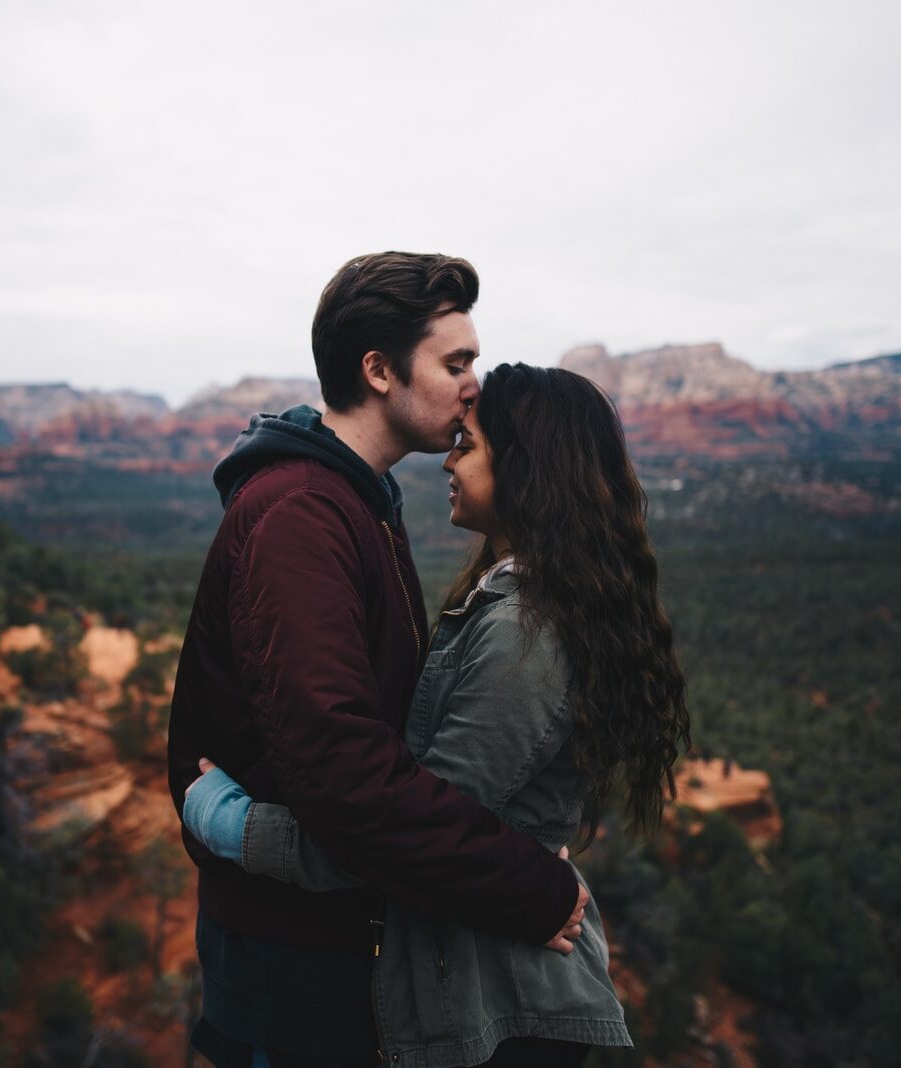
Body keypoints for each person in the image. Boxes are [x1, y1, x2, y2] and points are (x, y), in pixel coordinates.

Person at [186, 361, 692, 1066]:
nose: (448, 461)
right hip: (492, 987)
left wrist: (236, 827)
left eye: (469, 444)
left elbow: (411, 834)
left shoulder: (526, 629)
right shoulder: (514, 601)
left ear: (527, 471)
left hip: (508, 1009)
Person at [167, 256, 589, 1068]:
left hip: (339, 952)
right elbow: (345, 774)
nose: (475, 385)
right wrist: (533, 884)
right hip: (292, 975)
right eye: (455, 362)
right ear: (378, 370)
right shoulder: (301, 513)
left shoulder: (358, 499)